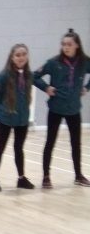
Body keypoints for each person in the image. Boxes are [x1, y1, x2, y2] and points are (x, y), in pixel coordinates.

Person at [33, 28, 90, 188]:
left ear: (77, 45)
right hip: (56, 108)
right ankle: (46, 177)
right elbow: (34, 76)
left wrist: (87, 88)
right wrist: (46, 87)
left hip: (73, 109)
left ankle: (78, 175)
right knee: (50, 142)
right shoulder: (53, 62)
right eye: (63, 44)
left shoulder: (84, 62)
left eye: (69, 44)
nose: (66, 47)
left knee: (76, 143)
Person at [0, 44, 35, 191]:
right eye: (18, 55)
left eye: (24, 54)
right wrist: (1, 112)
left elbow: (38, 84)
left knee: (19, 148)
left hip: (22, 118)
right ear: (12, 57)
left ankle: (21, 178)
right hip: (6, 118)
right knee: (1, 147)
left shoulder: (28, 75)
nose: (21, 57)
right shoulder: (3, 76)